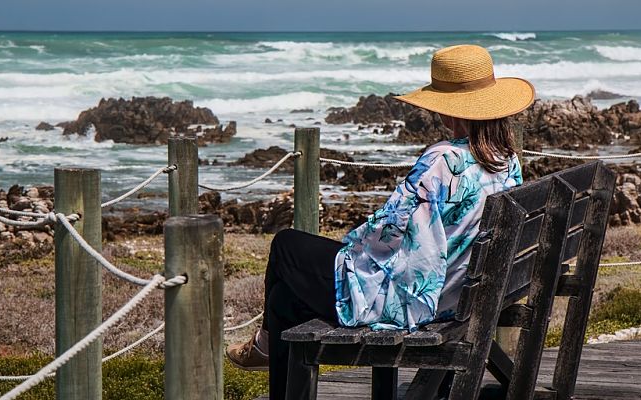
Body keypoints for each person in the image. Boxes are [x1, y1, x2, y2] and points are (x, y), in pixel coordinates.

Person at [226, 44, 535, 399]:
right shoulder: (506, 162)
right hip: (463, 293)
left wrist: (352, 243)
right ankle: (267, 344)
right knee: (283, 300)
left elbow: (387, 233)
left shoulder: (443, 159)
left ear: (449, 110)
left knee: (286, 245)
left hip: (418, 300)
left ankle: (264, 345)